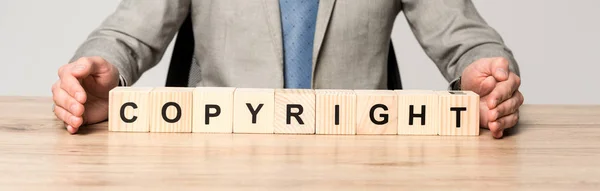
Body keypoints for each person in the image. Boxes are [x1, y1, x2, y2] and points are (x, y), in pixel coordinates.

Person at [51, 0, 524, 138]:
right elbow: (127, 33)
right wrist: (104, 70)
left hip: (360, 169)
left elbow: (468, 38)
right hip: (217, 169)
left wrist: (483, 79)